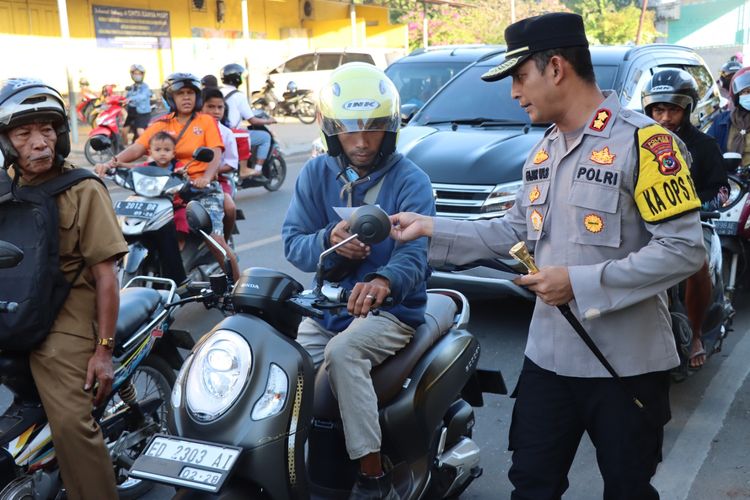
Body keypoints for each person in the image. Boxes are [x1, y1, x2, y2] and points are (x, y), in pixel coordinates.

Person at [390, 13, 705, 499]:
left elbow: (684, 250)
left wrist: (578, 283)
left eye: (520, 77)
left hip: (625, 364)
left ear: (555, 67)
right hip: (548, 360)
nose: (514, 93)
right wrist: (426, 229)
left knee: (627, 488)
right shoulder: (544, 151)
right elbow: (512, 230)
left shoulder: (646, 143)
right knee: (532, 485)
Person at [282, 63, 434, 499]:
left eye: (373, 130)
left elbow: (416, 255)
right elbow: (293, 244)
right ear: (333, 132)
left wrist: (384, 279)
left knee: (344, 352)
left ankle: (372, 475)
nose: (362, 142)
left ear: (391, 131)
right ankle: (289, 460)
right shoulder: (315, 174)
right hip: (328, 308)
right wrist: (326, 243)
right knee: (283, 366)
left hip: (390, 310)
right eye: (350, 131)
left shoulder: (411, 181)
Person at [0, 78, 128, 499]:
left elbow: (106, 274)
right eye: (24, 133)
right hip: (15, 305)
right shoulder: (7, 188)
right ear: (6, 142)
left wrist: (104, 350)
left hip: (67, 314)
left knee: (72, 423)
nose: (39, 143)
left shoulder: (83, 188)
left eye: (48, 130)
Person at [95, 72, 239, 281]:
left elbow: (215, 152)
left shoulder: (206, 121)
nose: (186, 98)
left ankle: (236, 289)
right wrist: (111, 163)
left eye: (190, 93)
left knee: (214, 238)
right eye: (180, 93)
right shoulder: (161, 124)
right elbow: (137, 148)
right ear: (171, 97)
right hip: (164, 187)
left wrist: (206, 177)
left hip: (199, 189)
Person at [642, 69, 729, 370]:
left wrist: (698, 204)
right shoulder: (636, 145)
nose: (664, 118)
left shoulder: (704, 146)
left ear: (687, 109)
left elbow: (720, 188)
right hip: (647, 225)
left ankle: (694, 335)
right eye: (658, 109)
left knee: (696, 265)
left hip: (694, 222)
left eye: (673, 109)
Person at [220, 63, 276, 182]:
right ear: (237, 78)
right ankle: (255, 169)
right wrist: (269, 121)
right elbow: (252, 120)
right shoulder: (238, 96)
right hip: (231, 132)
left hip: (218, 129)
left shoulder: (218, 92)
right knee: (265, 137)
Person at [202, 86, 239, 240]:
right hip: (189, 179)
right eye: (210, 107)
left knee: (229, 207)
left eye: (220, 107)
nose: (216, 111)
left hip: (219, 181)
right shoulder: (194, 130)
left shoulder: (227, 133)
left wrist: (216, 171)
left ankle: (224, 241)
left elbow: (231, 163)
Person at [708, 66, 750, 165]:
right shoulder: (721, 121)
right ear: (737, 96)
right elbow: (707, 150)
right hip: (729, 178)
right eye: (746, 92)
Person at [123, 64, 152, 143]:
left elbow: (142, 96)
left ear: (142, 75)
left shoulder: (145, 87)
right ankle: (125, 149)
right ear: (132, 75)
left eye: (139, 74)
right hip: (132, 112)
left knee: (140, 131)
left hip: (142, 113)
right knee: (124, 131)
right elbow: (126, 97)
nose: (137, 76)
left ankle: (147, 147)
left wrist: (130, 99)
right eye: (135, 74)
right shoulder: (131, 87)